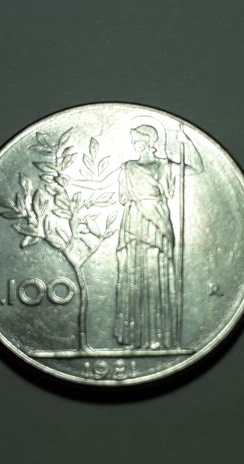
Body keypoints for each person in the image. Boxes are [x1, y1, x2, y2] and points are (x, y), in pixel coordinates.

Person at [73, 125, 178, 349]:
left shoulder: (165, 165)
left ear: (149, 140)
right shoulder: (127, 167)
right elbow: (100, 184)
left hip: (156, 220)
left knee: (155, 272)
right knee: (133, 274)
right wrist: (68, 182)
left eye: (137, 139)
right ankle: (134, 338)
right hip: (133, 220)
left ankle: (158, 338)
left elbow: (196, 168)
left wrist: (185, 140)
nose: (133, 143)